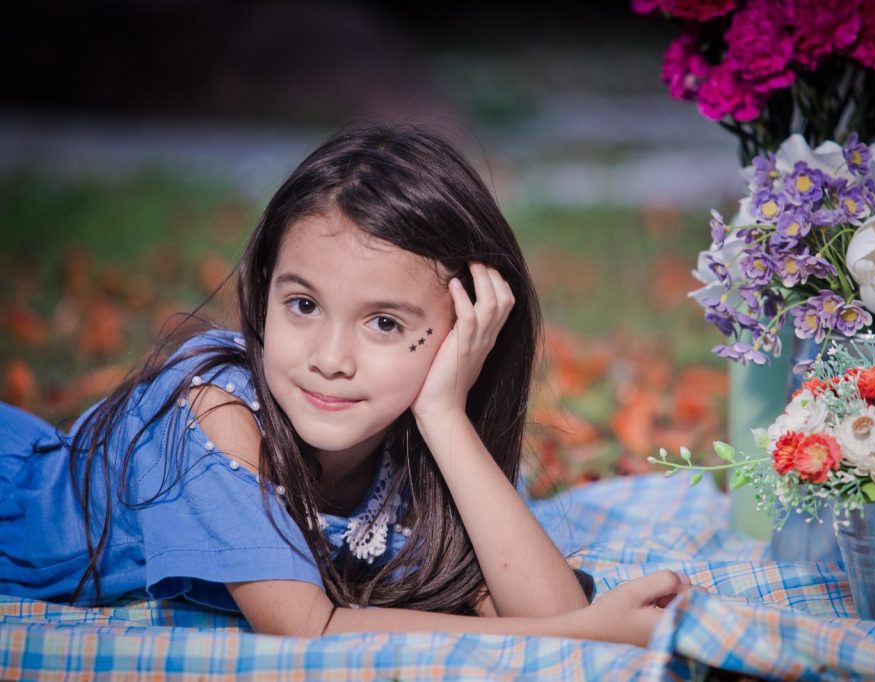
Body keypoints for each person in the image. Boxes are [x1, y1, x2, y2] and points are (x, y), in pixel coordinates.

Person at [0, 122, 688, 646]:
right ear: (264, 293)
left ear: (466, 330)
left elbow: (550, 604)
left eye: (385, 323)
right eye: (303, 305)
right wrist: (581, 637)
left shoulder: (417, 436)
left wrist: (446, 414)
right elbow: (309, 629)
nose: (331, 358)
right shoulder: (217, 411)